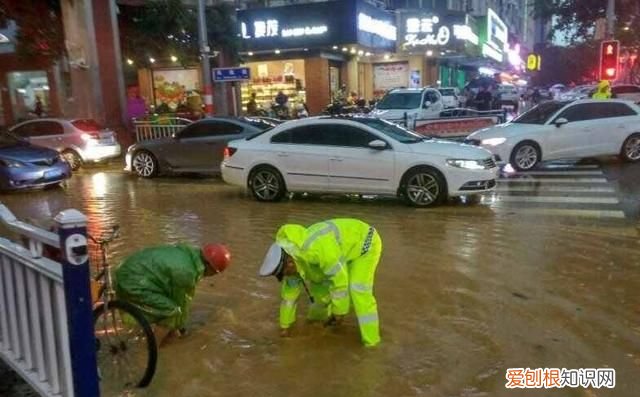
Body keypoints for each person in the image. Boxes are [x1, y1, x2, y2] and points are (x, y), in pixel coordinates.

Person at [259, 219, 383, 347]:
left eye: (284, 273)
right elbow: (288, 299)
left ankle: (372, 342)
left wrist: (339, 312)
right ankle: (318, 323)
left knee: (358, 289)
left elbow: (340, 280)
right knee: (319, 291)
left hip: (365, 243)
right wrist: (285, 326)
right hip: (339, 252)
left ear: (289, 263)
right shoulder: (291, 256)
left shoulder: (315, 249)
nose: (286, 276)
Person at [114, 243, 231, 340]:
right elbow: (182, 303)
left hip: (127, 270)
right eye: (214, 274)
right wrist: (180, 329)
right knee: (171, 310)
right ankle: (153, 347)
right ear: (211, 269)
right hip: (131, 282)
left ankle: (146, 331)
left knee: (166, 302)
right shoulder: (188, 273)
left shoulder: (187, 253)